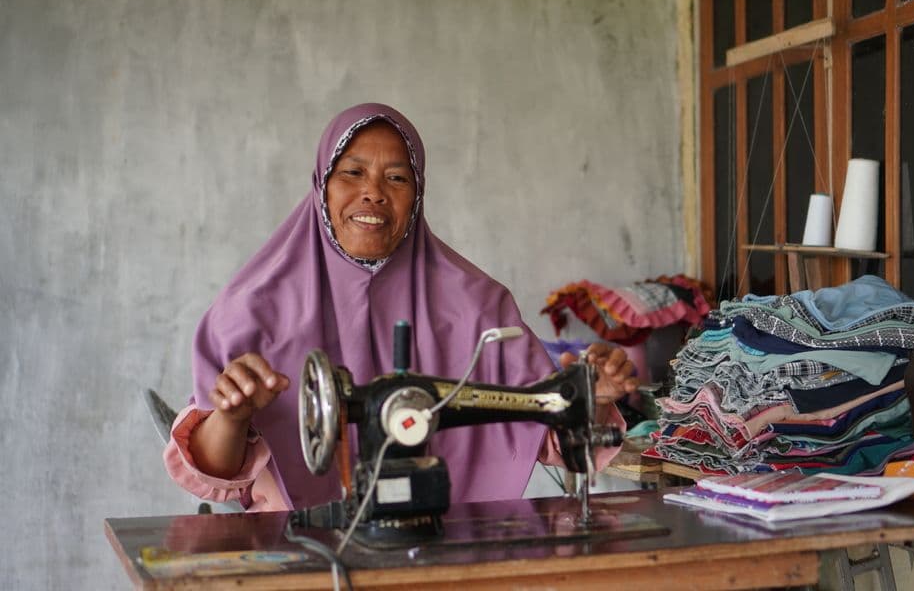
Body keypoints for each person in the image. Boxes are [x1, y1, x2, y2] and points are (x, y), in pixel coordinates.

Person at [164, 103, 638, 512]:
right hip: (297, 554)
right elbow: (214, 471)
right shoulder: (253, 310)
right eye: (352, 173)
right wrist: (232, 417)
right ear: (322, 184)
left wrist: (593, 402)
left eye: (396, 177)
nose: (373, 192)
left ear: (418, 194)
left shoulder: (480, 306)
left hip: (449, 550)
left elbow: (552, 440)